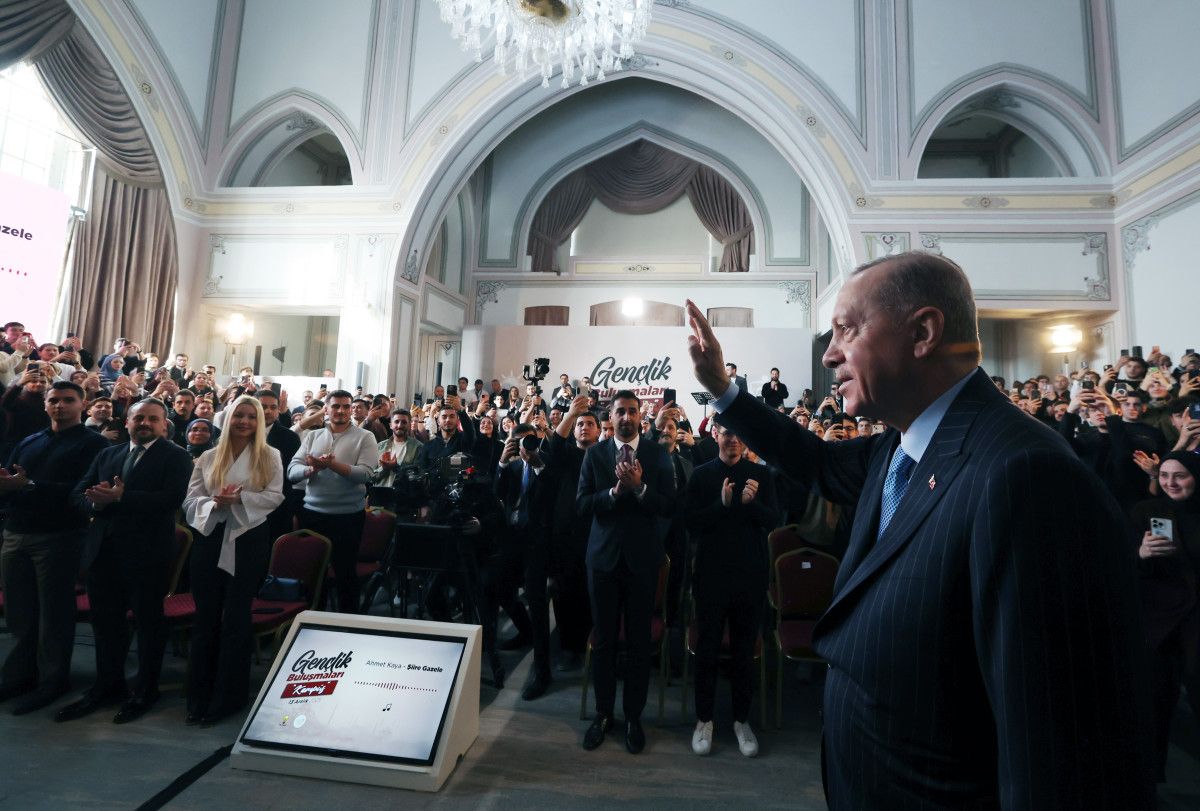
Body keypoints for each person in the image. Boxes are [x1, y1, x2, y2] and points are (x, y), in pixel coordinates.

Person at [684, 250, 1153, 807]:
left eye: (847, 330)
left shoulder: (1026, 474)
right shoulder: (901, 444)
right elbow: (815, 461)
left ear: (923, 332)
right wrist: (722, 388)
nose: (829, 353)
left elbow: (1061, 755)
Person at [59, 398, 193, 724]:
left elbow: (173, 499)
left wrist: (122, 497)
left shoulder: (176, 456)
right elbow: (78, 493)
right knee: (106, 624)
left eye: (152, 419)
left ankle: (145, 690)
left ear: (164, 425)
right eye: (138, 418)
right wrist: (96, 504)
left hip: (147, 553)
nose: (144, 423)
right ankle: (107, 685)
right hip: (103, 551)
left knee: (148, 624)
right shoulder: (109, 453)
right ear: (127, 421)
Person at [0, 382, 109, 714]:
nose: (59, 405)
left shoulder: (94, 444)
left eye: (68, 400)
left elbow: (82, 492)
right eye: (54, 400)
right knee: (19, 612)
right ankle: (20, 676)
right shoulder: (30, 440)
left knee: (53, 613)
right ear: (45, 405)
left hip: (59, 535)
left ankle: (52, 680)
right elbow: (11, 480)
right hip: (17, 531)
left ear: (82, 404)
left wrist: (31, 485)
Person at [577, 389, 676, 755]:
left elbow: (668, 506)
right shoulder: (595, 455)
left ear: (640, 417)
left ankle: (634, 717)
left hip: (642, 562)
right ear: (611, 416)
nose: (627, 417)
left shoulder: (657, 455)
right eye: (620, 411)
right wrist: (614, 493)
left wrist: (640, 489)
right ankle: (603, 714)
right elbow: (581, 505)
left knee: (638, 644)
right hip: (603, 561)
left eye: (633, 411)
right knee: (604, 642)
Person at [183, 395, 284, 725]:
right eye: (239, 415)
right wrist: (213, 504)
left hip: (248, 538)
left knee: (237, 617)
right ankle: (199, 694)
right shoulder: (209, 456)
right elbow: (191, 499)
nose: (244, 421)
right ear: (228, 419)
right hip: (211, 536)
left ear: (259, 422)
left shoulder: (270, 455)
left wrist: (240, 499)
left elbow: (275, 496)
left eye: (251, 417)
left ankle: (229, 697)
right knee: (206, 616)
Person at [685, 424, 777, 757]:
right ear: (715, 436)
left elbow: (774, 520)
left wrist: (750, 504)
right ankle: (704, 719)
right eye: (726, 433)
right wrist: (721, 505)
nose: (733, 439)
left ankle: (741, 720)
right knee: (707, 649)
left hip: (750, 576)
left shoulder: (761, 475)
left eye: (739, 433)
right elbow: (690, 524)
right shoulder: (701, 475)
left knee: (743, 651)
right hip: (711, 576)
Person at [288, 390, 379, 614]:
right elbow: (292, 471)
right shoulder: (313, 436)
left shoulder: (365, 437)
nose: (341, 411)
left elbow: (366, 474)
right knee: (312, 573)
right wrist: (311, 469)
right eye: (336, 406)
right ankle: (312, 620)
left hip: (347, 516)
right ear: (326, 410)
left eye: (346, 406)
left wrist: (331, 465)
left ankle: (347, 624)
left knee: (345, 573)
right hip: (313, 513)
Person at [544, 394, 598, 671]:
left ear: (598, 431)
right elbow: (555, 444)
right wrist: (570, 414)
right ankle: (568, 647)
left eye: (589, 424)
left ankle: (590, 645)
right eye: (580, 425)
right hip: (565, 535)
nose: (584, 427)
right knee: (564, 592)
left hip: (595, 535)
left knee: (591, 593)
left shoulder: (604, 456)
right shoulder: (566, 455)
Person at [374, 408, 423, 487]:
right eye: (396, 422)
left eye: (404, 422)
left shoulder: (418, 447)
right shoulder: (380, 446)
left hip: (403, 492)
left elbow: (417, 476)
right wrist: (384, 469)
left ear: (409, 425)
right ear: (390, 425)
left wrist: (396, 467)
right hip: (379, 491)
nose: (400, 425)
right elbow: (371, 476)